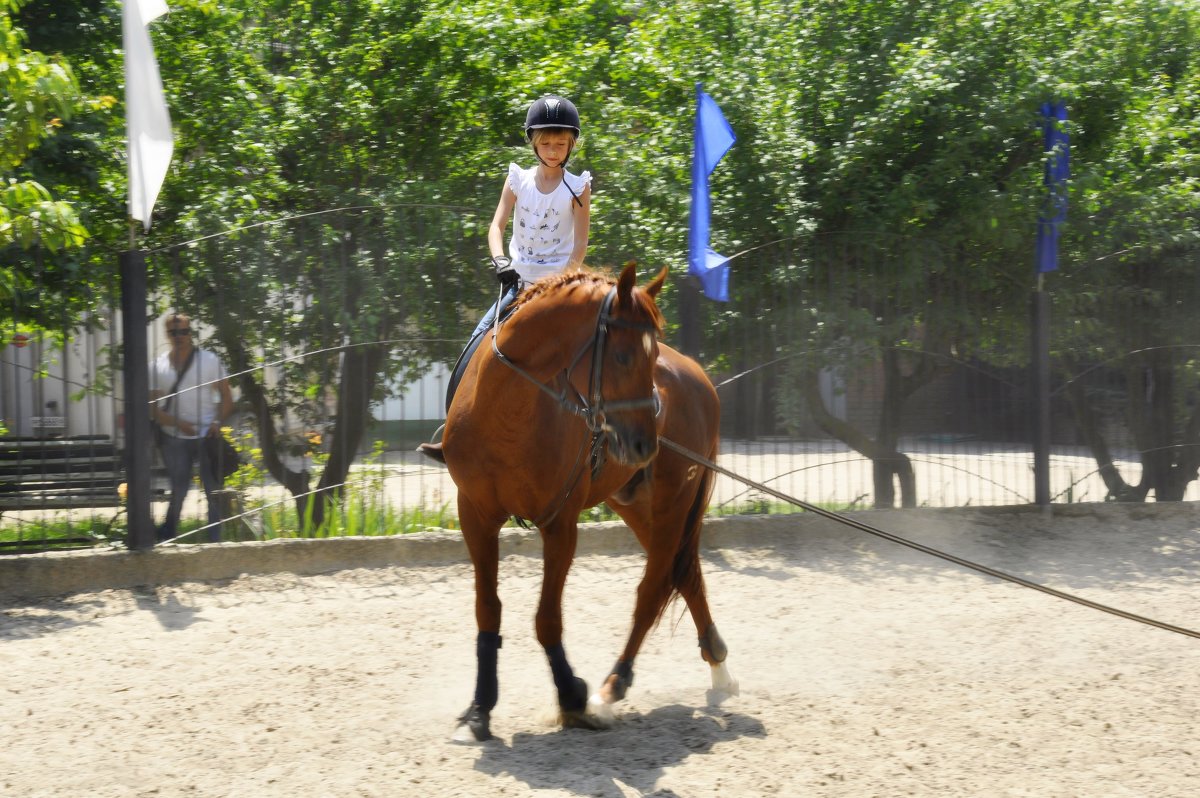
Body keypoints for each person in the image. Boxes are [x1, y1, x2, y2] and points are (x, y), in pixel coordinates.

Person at [419, 94, 592, 462]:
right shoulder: (518, 180)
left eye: (560, 143)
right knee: (475, 346)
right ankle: (454, 432)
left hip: (557, 290)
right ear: (533, 142)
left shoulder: (578, 187)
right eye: (545, 142)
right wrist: (500, 261)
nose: (552, 149)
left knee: (595, 353)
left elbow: (580, 246)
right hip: (516, 284)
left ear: (571, 144)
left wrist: (561, 282)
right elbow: (497, 225)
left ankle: (600, 438)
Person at [149, 313, 235, 542]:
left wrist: (217, 423)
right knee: (179, 488)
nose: (180, 336)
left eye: (184, 331)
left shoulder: (209, 360)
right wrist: (178, 424)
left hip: (207, 436)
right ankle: (167, 535)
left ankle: (214, 540)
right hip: (173, 437)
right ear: (167, 335)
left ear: (190, 333)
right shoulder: (157, 367)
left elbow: (227, 397)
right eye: (174, 332)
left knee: (213, 490)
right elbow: (152, 409)